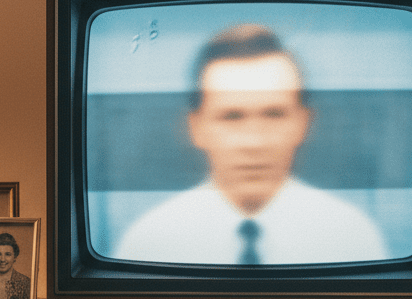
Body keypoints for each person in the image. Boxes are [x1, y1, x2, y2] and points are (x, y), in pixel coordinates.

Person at [115, 24, 387, 266]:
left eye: (274, 114)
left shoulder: (354, 238)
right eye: (231, 117)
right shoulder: (145, 243)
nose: (254, 142)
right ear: (196, 127)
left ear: (304, 122)